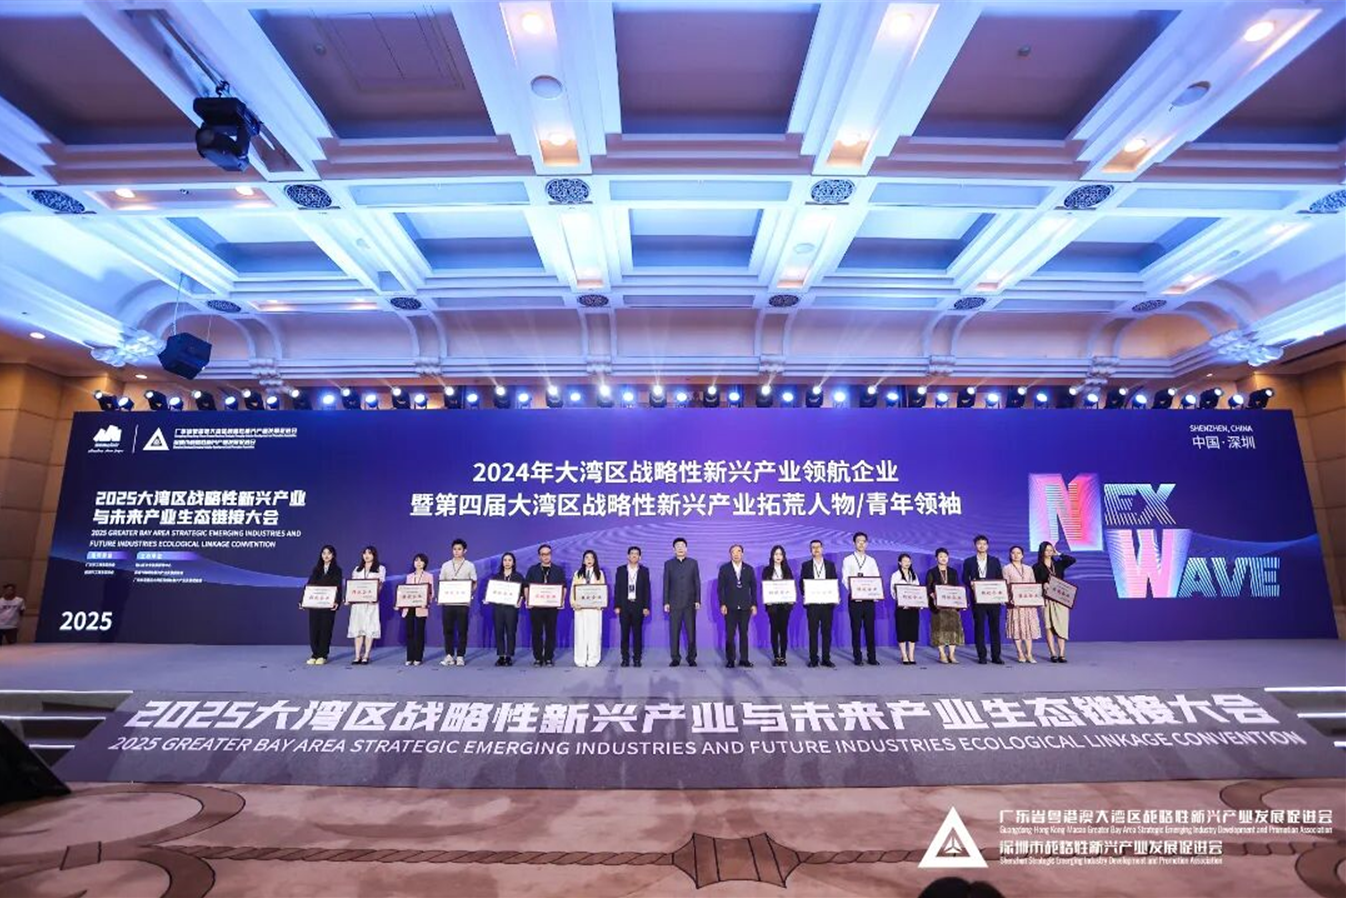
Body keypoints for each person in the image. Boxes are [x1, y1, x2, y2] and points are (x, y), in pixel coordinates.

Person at [962, 535, 1005, 665]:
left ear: (987, 546)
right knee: (979, 627)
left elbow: (1000, 578)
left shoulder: (995, 561)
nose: (982, 546)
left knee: (995, 627)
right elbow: (964, 578)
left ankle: (996, 656)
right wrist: (970, 583)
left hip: (993, 598)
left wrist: (1001, 594)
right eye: (979, 543)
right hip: (977, 598)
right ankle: (982, 656)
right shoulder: (969, 561)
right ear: (975, 545)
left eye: (984, 544)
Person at [841, 531, 881, 666]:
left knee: (870, 629)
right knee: (856, 629)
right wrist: (855, 592)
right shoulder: (848, 560)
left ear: (867, 544)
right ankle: (857, 657)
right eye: (859, 541)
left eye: (864, 541)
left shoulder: (871, 560)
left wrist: (874, 593)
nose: (861, 544)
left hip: (869, 599)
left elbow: (876, 578)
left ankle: (872, 657)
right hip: (855, 600)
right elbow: (845, 579)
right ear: (854, 543)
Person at [1034, 540, 1077, 663]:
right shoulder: (1036, 567)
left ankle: (1062, 654)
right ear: (1042, 552)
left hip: (1060, 599)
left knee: (1061, 625)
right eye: (1046, 550)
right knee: (1048, 626)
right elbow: (1035, 583)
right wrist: (1043, 584)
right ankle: (1053, 654)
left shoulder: (1058, 564)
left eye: (1051, 550)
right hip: (1046, 599)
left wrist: (1059, 554)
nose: (1049, 552)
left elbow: (1072, 560)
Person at [717, 544, 758, 668]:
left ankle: (744, 659)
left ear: (742, 554)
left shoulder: (749, 569)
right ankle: (730, 659)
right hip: (730, 607)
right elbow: (720, 589)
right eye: (733, 552)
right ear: (730, 554)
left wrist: (754, 604)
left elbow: (754, 588)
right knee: (730, 635)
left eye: (738, 551)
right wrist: (722, 604)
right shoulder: (724, 569)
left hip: (745, 607)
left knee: (744, 634)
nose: (736, 554)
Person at [438, 538, 478, 667]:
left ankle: (460, 656)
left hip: (462, 603)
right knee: (448, 630)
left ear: (464, 551)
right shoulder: (445, 565)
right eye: (454, 549)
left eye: (459, 549)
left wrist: (467, 592)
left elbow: (474, 583)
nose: (456, 551)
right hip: (448, 603)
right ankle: (449, 655)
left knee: (462, 630)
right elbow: (441, 583)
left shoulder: (470, 565)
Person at [663, 537, 701, 667]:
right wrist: (666, 602)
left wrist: (697, 600)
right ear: (674, 549)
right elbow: (666, 584)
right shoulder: (668, 564)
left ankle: (691, 657)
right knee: (674, 632)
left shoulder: (693, 563)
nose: (680, 548)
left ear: (686, 548)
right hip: (674, 604)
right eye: (677, 546)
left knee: (691, 632)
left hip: (690, 603)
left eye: (682, 546)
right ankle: (675, 657)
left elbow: (697, 582)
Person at [798, 540, 837, 668]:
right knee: (813, 632)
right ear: (811, 550)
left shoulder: (830, 565)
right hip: (813, 604)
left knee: (826, 632)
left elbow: (834, 582)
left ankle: (826, 658)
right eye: (813, 547)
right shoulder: (806, 565)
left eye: (818, 547)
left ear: (822, 549)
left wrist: (833, 597)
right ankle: (813, 659)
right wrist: (807, 594)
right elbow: (801, 583)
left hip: (827, 604)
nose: (816, 549)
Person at [525, 544, 564, 667]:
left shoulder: (558, 570)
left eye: (548, 554)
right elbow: (526, 586)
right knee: (537, 633)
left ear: (551, 555)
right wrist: (528, 600)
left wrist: (561, 601)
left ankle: (548, 658)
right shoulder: (532, 570)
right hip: (536, 608)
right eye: (543, 554)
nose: (546, 556)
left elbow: (563, 587)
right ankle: (538, 658)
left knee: (550, 632)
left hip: (552, 607)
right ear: (539, 556)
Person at [613, 545, 651, 667]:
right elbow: (617, 588)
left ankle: (637, 658)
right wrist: (617, 605)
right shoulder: (621, 570)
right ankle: (625, 658)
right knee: (624, 634)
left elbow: (647, 590)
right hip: (624, 606)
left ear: (640, 557)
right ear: (628, 556)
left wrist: (646, 607)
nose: (634, 555)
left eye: (636, 554)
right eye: (632, 553)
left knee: (637, 634)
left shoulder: (644, 571)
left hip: (638, 606)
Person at [347, 545, 385, 665]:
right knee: (357, 628)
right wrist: (349, 599)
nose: (367, 555)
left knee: (369, 628)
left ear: (374, 555)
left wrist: (373, 596)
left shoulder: (380, 569)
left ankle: (366, 655)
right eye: (365, 553)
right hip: (358, 604)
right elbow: (352, 586)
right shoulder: (357, 569)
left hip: (371, 603)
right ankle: (357, 655)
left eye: (369, 553)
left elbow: (380, 586)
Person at [926, 547, 964, 664]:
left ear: (948, 558)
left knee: (954, 629)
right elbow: (928, 588)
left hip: (952, 606)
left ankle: (951, 655)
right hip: (938, 606)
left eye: (945, 556)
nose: (943, 558)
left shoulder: (953, 572)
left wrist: (959, 601)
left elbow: (957, 588)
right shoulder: (932, 572)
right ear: (936, 558)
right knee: (939, 629)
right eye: (941, 556)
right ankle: (942, 654)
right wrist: (934, 596)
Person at [1003, 545, 1040, 663]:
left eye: (1018, 553)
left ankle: (1029, 654)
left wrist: (1036, 598)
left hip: (1028, 604)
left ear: (1022, 555)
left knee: (1028, 630)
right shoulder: (1007, 568)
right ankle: (1019, 652)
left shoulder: (1029, 569)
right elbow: (1005, 586)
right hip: (1015, 604)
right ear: (1010, 555)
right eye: (1013, 553)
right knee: (1017, 629)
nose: (1016, 555)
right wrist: (1009, 599)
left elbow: (1033, 584)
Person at [761, 544, 794, 666]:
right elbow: (764, 587)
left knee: (783, 631)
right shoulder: (767, 570)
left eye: (780, 554)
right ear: (772, 556)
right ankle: (776, 656)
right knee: (774, 630)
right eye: (776, 554)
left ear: (783, 556)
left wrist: (791, 599)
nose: (778, 556)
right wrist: (767, 599)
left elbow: (791, 586)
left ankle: (783, 657)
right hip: (772, 606)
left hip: (785, 606)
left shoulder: (787, 570)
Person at [490, 552, 525, 666]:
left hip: (512, 608)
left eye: (510, 560)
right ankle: (501, 656)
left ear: (513, 562)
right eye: (505, 560)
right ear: (502, 562)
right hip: (498, 607)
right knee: (499, 631)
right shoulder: (497, 576)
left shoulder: (518, 576)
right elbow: (492, 591)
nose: (507, 562)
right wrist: (488, 598)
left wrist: (520, 602)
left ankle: (509, 656)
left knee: (511, 632)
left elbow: (523, 592)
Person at [572, 549, 605, 668]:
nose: (589, 560)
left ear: (595, 560)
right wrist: (574, 603)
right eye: (587, 557)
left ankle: (593, 659)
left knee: (594, 634)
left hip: (594, 608)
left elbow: (602, 590)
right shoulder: (578, 573)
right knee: (580, 634)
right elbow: (573, 589)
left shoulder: (599, 573)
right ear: (583, 560)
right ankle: (580, 659)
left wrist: (601, 603)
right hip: (580, 608)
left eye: (592, 557)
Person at [401, 553, 434, 666]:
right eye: (416, 560)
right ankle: (409, 657)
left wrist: (426, 602)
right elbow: (405, 592)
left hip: (421, 608)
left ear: (425, 563)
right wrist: (399, 603)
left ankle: (418, 657)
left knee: (419, 633)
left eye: (421, 561)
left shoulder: (429, 576)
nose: (418, 563)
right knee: (409, 633)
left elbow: (431, 593)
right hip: (409, 608)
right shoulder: (409, 576)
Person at [890, 553, 921, 665]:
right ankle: (904, 655)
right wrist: (902, 601)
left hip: (913, 608)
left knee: (913, 631)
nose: (907, 563)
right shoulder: (895, 575)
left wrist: (918, 602)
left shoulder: (914, 575)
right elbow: (893, 592)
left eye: (909, 561)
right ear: (900, 563)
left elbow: (918, 591)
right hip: (901, 608)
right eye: (904, 561)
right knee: (902, 631)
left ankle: (911, 655)